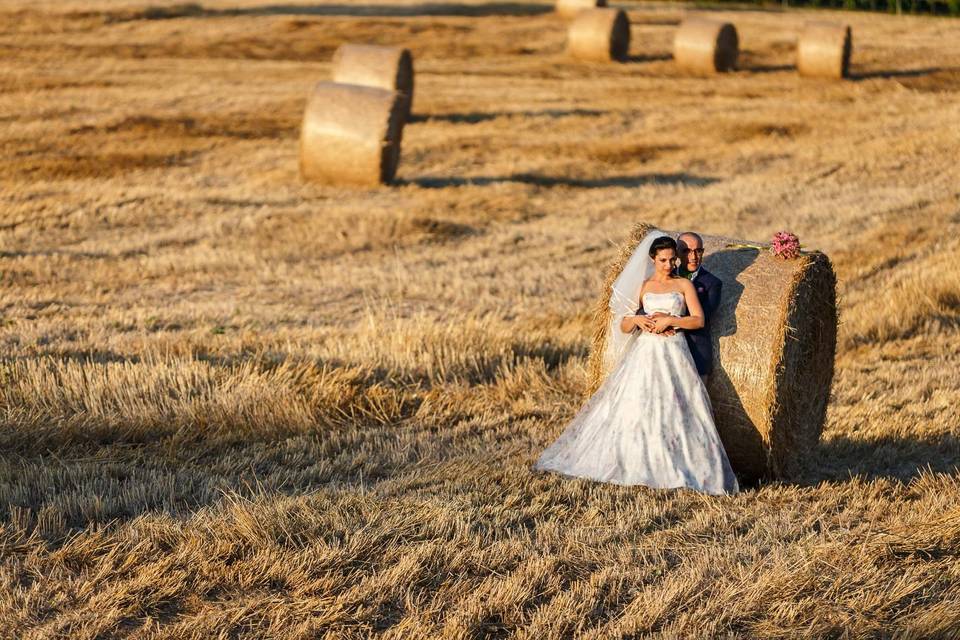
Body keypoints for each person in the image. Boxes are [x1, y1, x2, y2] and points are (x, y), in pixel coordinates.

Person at [533, 235, 738, 495]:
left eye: (672, 259)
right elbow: (624, 324)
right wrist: (637, 320)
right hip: (645, 352)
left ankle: (677, 465)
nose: (668, 264)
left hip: (674, 351)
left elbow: (698, 320)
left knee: (676, 406)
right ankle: (636, 460)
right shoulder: (643, 287)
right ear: (653, 260)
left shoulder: (684, 285)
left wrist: (671, 320)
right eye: (663, 260)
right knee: (639, 404)